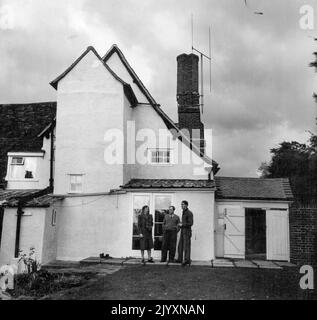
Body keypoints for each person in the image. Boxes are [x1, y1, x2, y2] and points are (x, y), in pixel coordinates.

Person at [176, 200, 193, 266]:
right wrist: (181, 224)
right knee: (180, 246)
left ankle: (187, 260)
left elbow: (191, 223)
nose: (181, 206)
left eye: (183, 204)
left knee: (186, 247)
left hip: (187, 232)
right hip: (183, 231)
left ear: (186, 205)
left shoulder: (189, 213)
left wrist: (182, 224)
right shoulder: (183, 212)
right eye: (181, 204)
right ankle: (180, 259)